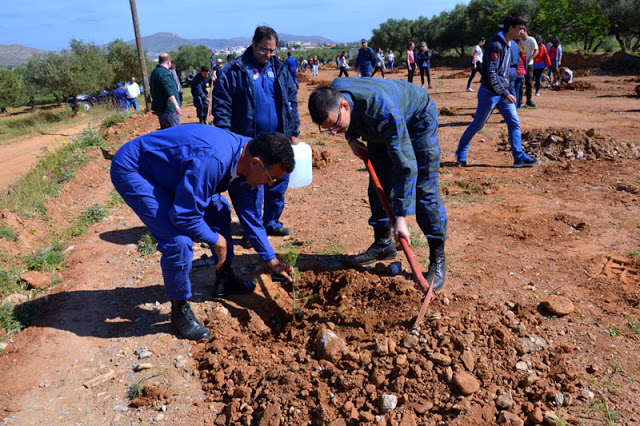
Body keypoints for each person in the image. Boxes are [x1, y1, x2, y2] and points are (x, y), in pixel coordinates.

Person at [111, 126, 295, 340]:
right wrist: (216, 240)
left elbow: (252, 220)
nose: (271, 184)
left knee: (218, 210)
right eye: (271, 178)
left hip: (175, 171)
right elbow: (183, 216)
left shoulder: (251, 157)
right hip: (137, 169)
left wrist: (273, 261)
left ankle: (224, 277)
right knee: (177, 241)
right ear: (256, 163)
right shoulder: (215, 161)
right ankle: (180, 311)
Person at [308, 79, 448, 291]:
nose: (334, 132)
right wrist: (350, 138)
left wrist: (400, 219)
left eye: (336, 126)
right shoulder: (334, 94)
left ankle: (438, 258)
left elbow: (405, 165)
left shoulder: (384, 111)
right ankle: (383, 244)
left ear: (344, 106)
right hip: (376, 122)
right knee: (378, 183)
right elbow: (348, 121)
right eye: (328, 130)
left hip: (417, 120)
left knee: (423, 189)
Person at [212, 26, 301, 237]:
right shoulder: (234, 71)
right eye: (263, 50)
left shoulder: (279, 69)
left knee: (278, 182)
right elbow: (222, 105)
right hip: (249, 140)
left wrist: (294, 129)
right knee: (252, 186)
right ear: (253, 43)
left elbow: (291, 100)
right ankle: (253, 230)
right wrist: (225, 135)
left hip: (278, 138)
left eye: (272, 51)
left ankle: (271, 221)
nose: (268, 55)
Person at [455, 12, 540, 168]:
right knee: (478, 124)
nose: (523, 32)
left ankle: (519, 157)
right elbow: (492, 74)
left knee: (514, 122)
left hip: (503, 92)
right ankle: (461, 151)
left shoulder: (511, 44)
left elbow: (506, 70)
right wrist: (505, 93)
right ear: (511, 27)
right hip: (490, 93)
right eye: (520, 28)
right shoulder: (496, 44)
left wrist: (508, 88)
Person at [519, 26, 538, 107]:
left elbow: (536, 50)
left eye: (522, 29)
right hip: (520, 64)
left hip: (529, 64)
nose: (520, 31)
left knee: (529, 82)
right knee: (520, 82)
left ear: (525, 30)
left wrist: (530, 58)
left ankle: (529, 100)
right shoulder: (518, 40)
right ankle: (519, 100)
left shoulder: (531, 40)